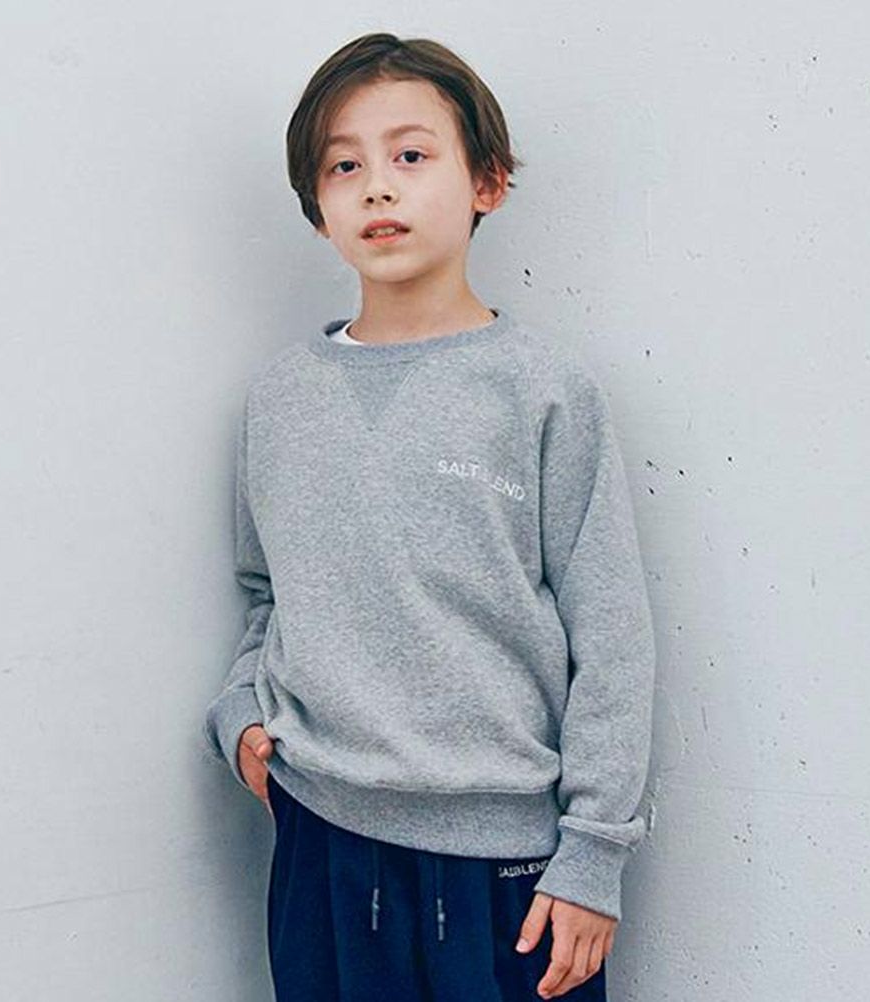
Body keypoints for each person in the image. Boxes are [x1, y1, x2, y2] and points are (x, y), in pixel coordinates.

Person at [203, 31, 656, 1002]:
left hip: (509, 869)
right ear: (317, 206)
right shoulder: (279, 399)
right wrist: (240, 710)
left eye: (410, 155)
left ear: (486, 182)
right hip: (320, 842)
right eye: (344, 166)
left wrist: (594, 852)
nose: (377, 187)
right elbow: (266, 590)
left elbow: (612, 636)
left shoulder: (542, 391)